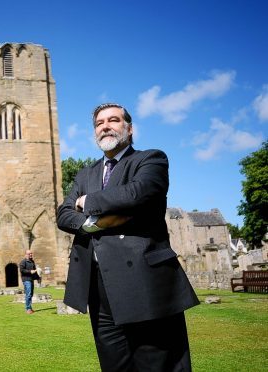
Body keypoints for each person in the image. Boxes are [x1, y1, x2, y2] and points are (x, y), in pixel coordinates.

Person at [57, 103, 199, 371]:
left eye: (113, 120)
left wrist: (87, 201)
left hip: (144, 281)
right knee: (114, 366)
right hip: (98, 286)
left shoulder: (150, 159)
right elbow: (63, 215)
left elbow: (137, 193)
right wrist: (94, 224)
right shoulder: (86, 173)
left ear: (129, 128)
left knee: (155, 363)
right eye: (99, 123)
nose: (105, 126)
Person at [19, 249, 38, 314]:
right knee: (29, 294)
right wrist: (30, 271)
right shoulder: (23, 262)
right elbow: (21, 270)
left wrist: (38, 277)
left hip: (31, 279)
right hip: (26, 280)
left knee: (31, 294)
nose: (30, 255)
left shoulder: (32, 261)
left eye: (31, 253)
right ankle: (28, 308)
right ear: (25, 254)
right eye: (29, 254)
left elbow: (34, 270)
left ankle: (30, 307)